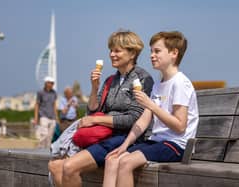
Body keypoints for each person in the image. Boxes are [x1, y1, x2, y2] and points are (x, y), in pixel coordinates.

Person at [48, 30, 154, 187]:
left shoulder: (142, 78)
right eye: (111, 50)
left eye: (117, 50)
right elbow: (91, 111)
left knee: (69, 167)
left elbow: (133, 119)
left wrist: (95, 119)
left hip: (126, 138)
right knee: (54, 166)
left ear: (132, 54)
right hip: (104, 136)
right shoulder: (111, 80)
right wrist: (94, 87)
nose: (112, 54)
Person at [103, 31, 199, 187]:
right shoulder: (158, 85)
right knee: (112, 159)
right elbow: (144, 119)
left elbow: (180, 126)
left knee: (126, 163)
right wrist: (125, 145)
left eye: (157, 51)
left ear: (174, 53)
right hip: (157, 142)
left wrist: (151, 105)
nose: (152, 55)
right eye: (151, 51)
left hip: (177, 145)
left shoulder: (180, 83)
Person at [34, 76, 58, 148]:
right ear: (46, 83)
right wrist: (36, 118)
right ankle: (40, 149)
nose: (51, 85)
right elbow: (37, 105)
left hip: (52, 117)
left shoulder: (54, 93)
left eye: (52, 83)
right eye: (50, 83)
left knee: (50, 136)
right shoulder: (40, 92)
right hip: (43, 116)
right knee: (44, 134)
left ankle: (47, 151)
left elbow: (54, 105)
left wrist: (56, 117)